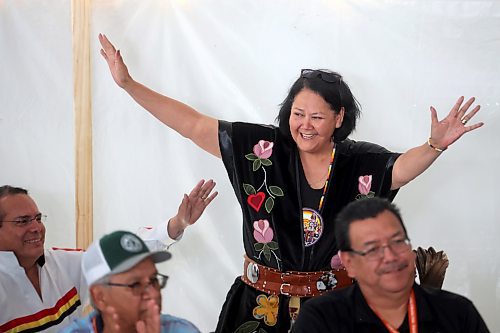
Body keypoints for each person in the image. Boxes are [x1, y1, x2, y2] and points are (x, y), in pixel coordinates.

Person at [98, 33, 483, 332]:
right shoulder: (262, 149)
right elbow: (193, 125)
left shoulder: (359, 161)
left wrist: (435, 145)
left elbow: (400, 169)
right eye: (298, 114)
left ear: (339, 117)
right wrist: (129, 85)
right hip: (258, 308)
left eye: (317, 116)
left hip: (336, 311)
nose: (305, 124)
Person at [0, 180, 216, 333]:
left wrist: (178, 224)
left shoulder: (64, 264)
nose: (37, 227)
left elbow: (125, 257)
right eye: (23, 221)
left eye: (38, 218)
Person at [292, 197, 490, 332]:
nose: (390, 256)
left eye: (397, 242)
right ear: (349, 263)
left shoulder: (457, 312)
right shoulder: (321, 318)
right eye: (372, 249)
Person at [59, 230, 200, 333]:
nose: (154, 294)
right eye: (135, 284)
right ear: (100, 297)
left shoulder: (181, 329)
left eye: (153, 280)